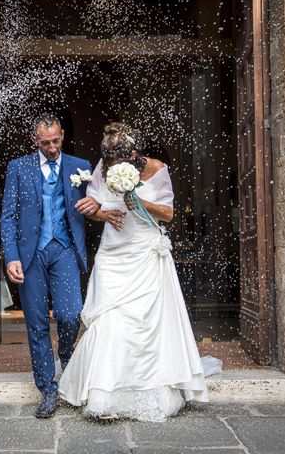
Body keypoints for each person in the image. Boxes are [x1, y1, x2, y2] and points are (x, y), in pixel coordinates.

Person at [59, 123, 208, 422]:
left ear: (134, 155)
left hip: (143, 252)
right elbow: (97, 202)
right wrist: (98, 211)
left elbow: (168, 213)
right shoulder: (103, 167)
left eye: (119, 163)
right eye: (110, 163)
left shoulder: (156, 168)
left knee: (143, 324)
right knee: (109, 319)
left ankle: (145, 390)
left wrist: (138, 201)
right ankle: (104, 394)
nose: (112, 167)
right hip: (113, 254)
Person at [0, 113, 93, 418]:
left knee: (69, 314)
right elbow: (8, 217)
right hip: (31, 256)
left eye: (55, 141)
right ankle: (47, 389)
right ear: (35, 140)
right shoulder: (18, 168)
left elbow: (97, 205)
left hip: (65, 249)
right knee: (37, 323)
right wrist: (12, 256)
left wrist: (98, 207)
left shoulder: (81, 166)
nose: (52, 148)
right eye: (45, 143)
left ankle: (66, 356)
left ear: (62, 135)